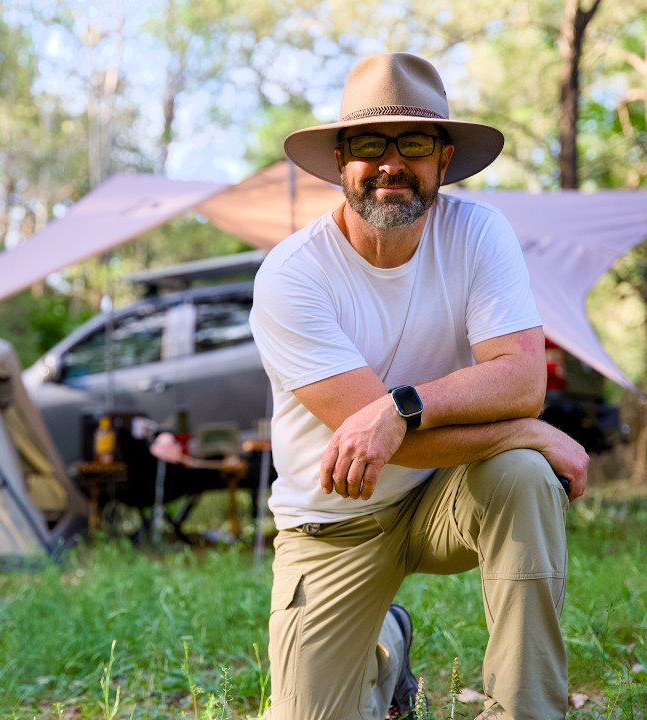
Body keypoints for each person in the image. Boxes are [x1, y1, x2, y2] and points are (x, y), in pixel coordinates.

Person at [249, 52, 590, 720]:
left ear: (443, 158)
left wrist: (402, 407)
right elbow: (381, 447)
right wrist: (524, 428)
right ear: (341, 161)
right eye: (371, 144)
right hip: (334, 523)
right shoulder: (292, 278)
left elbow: (521, 376)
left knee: (523, 475)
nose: (390, 164)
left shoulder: (478, 233)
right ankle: (384, 650)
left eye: (413, 143)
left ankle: (528, 711)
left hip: (450, 495)